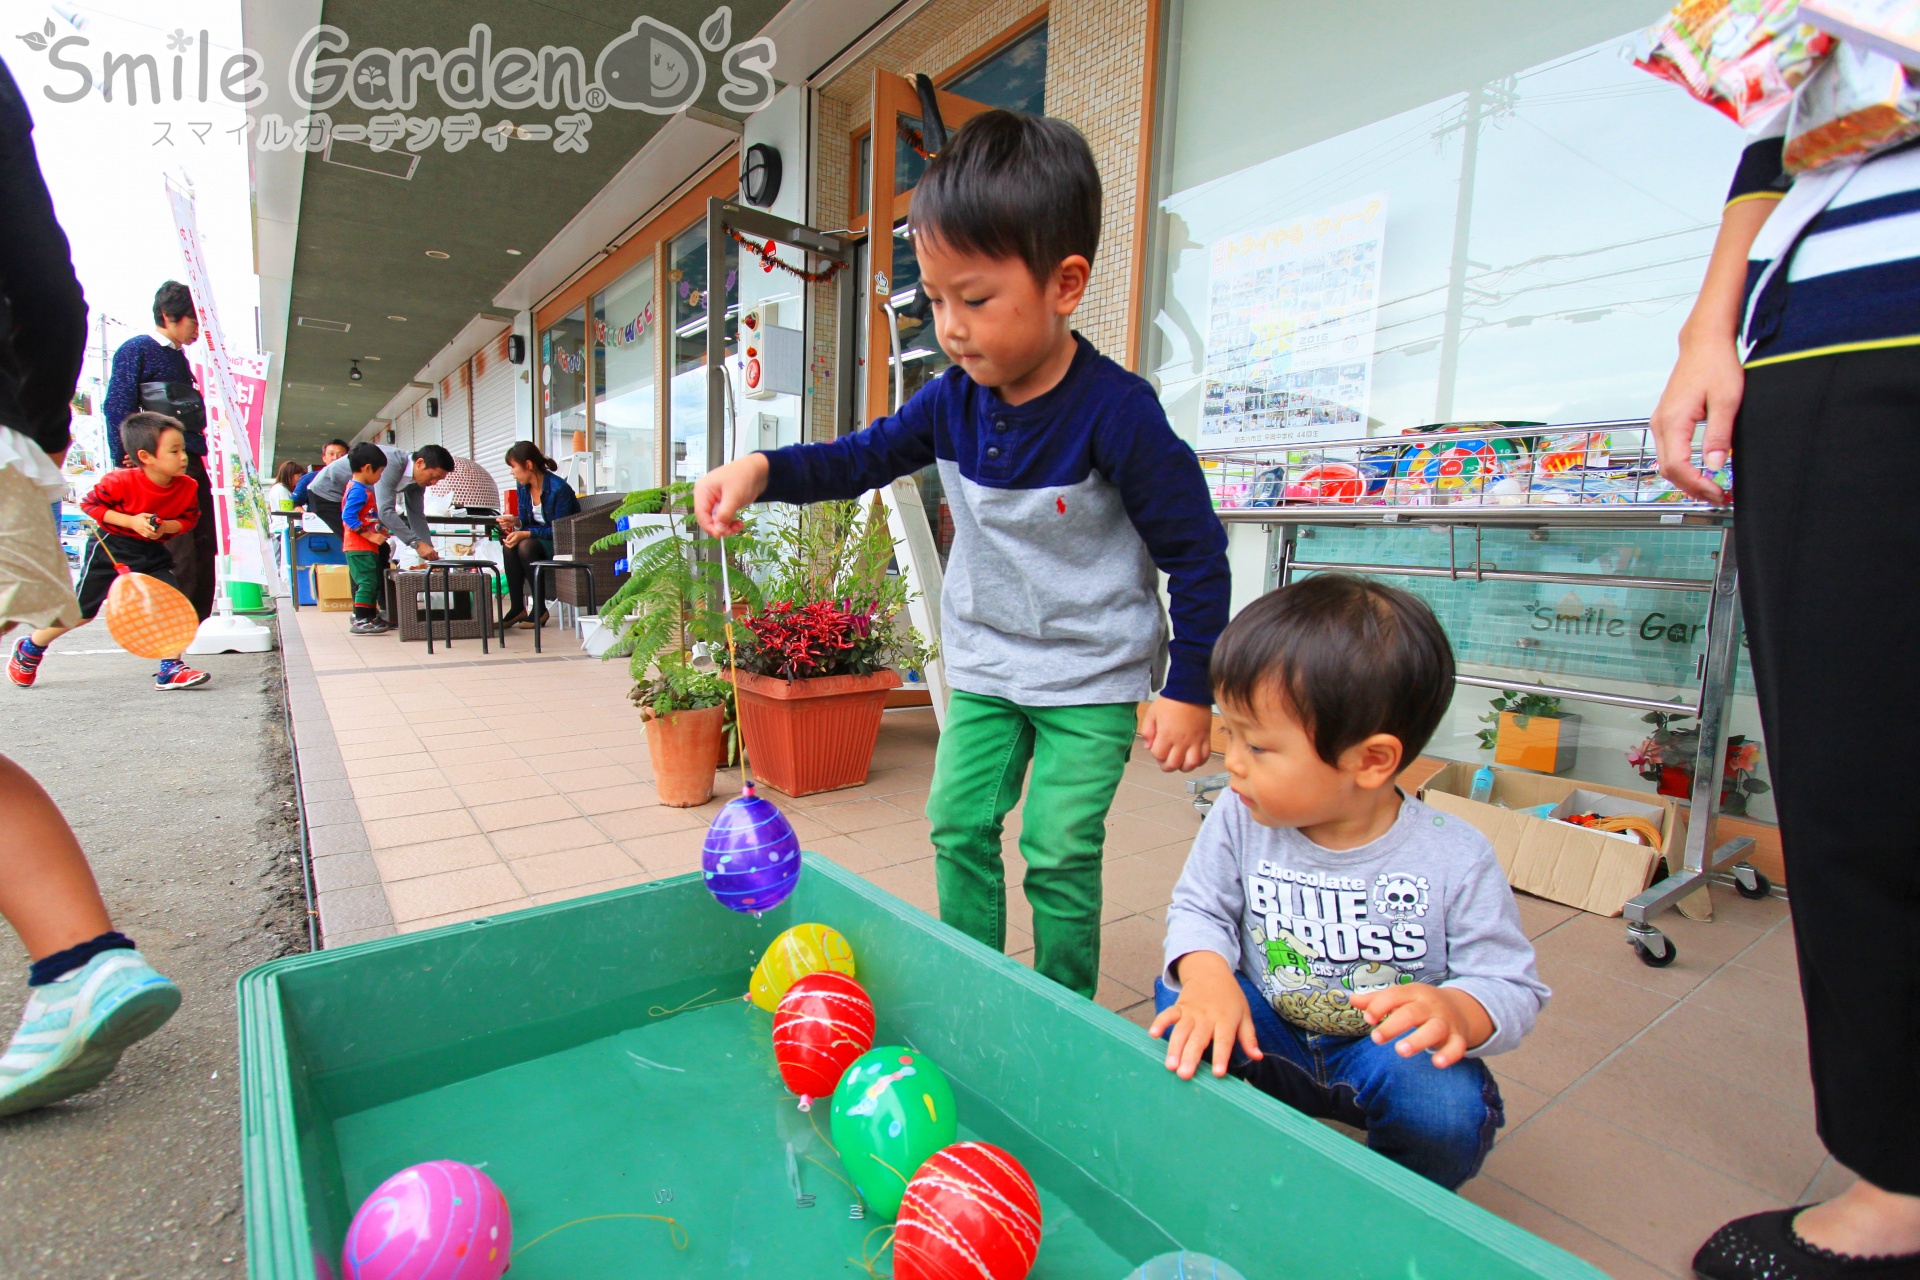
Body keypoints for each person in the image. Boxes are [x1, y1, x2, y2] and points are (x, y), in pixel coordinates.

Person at [694, 110, 1230, 998]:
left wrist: (1189, 688)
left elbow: (1199, 554)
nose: (950, 326)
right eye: (934, 301)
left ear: (1065, 284)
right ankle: (974, 985)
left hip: (1092, 673)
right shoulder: (951, 401)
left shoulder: (1119, 414)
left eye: (974, 299)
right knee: (956, 823)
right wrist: (760, 466)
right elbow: (856, 457)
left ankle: (1062, 1008)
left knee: (1058, 847)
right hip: (988, 659)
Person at [1653, 126, 1920, 1275]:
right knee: (1856, 773)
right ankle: (1902, 1172)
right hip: (1851, 325)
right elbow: (1780, 122)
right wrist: (1710, 323)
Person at [1152, 576, 1548, 1189]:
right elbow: (1201, 908)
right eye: (1228, 733)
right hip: (1271, 1031)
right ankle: (1235, 1162)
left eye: (1257, 745)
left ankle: (1395, 1204)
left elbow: (1510, 984)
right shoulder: (1238, 814)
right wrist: (1207, 980)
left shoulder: (1454, 855)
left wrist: (1458, 1010)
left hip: (1382, 1052)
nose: (1230, 761)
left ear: (1371, 760)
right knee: (1185, 1006)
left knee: (1446, 1108)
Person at [0, 52, 180, 1114]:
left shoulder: (177, 479)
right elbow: (46, 280)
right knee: (135, 608)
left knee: (155, 613)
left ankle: (77, 960)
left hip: (105, 522)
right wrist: (119, 509)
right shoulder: (123, 469)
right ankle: (75, 953)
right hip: (75, 509)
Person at [9, 412, 212, 691]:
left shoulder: (188, 486)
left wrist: (164, 527)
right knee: (82, 612)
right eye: (174, 451)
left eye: (183, 450)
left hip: (151, 550)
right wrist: (131, 521)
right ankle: (31, 647)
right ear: (146, 456)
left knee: (172, 605)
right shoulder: (120, 481)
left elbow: (189, 519)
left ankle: (170, 668)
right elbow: (90, 506)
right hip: (110, 549)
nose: (183, 457)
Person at [103, 280, 217, 622]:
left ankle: (190, 626)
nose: (196, 330)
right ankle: (171, 639)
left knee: (202, 544)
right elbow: (117, 407)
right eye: (192, 321)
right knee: (177, 550)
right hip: (161, 471)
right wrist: (124, 458)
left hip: (191, 463)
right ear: (169, 316)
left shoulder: (179, 358)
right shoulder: (138, 348)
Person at [302, 442, 452, 563]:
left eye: (439, 479)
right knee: (363, 551)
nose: (434, 482)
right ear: (419, 463)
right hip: (328, 494)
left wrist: (428, 548)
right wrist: (416, 544)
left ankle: (380, 600)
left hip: (355, 499)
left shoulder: (418, 481)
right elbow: (385, 511)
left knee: (380, 550)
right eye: (434, 476)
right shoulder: (392, 463)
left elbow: (416, 515)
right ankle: (365, 600)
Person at [498, 440, 579, 629]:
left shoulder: (559, 489)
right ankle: (517, 607)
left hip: (561, 543)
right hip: (540, 541)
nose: (512, 472)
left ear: (528, 465)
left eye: (513, 467)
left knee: (526, 545)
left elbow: (561, 530)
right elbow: (527, 522)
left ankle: (539, 609)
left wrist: (526, 533)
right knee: (509, 545)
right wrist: (516, 522)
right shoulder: (523, 487)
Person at [339, 443, 391, 635]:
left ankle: (369, 614)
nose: (380, 477)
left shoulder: (357, 488)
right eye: (380, 471)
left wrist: (379, 529)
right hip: (359, 546)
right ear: (367, 468)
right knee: (367, 583)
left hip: (365, 546)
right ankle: (360, 618)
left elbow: (365, 517)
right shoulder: (359, 490)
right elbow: (349, 516)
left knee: (372, 581)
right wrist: (368, 535)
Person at [290, 438, 348, 519]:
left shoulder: (354, 479)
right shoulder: (310, 478)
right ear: (324, 458)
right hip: (319, 528)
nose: (335, 458)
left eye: (341, 455)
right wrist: (308, 517)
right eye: (331, 454)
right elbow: (293, 503)